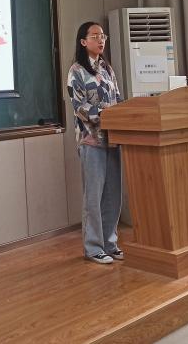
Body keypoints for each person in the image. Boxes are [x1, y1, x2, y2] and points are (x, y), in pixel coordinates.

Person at [67, 21, 123, 264]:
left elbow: (117, 98)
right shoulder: (76, 71)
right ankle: (93, 247)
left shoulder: (107, 69)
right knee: (94, 196)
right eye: (95, 36)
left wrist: (121, 115)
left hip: (113, 138)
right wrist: (106, 114)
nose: (101, 40)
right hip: (91, 141)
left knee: (113, 195)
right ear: (83, 41)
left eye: (103, 36)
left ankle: (110, 243)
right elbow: (79, 106)